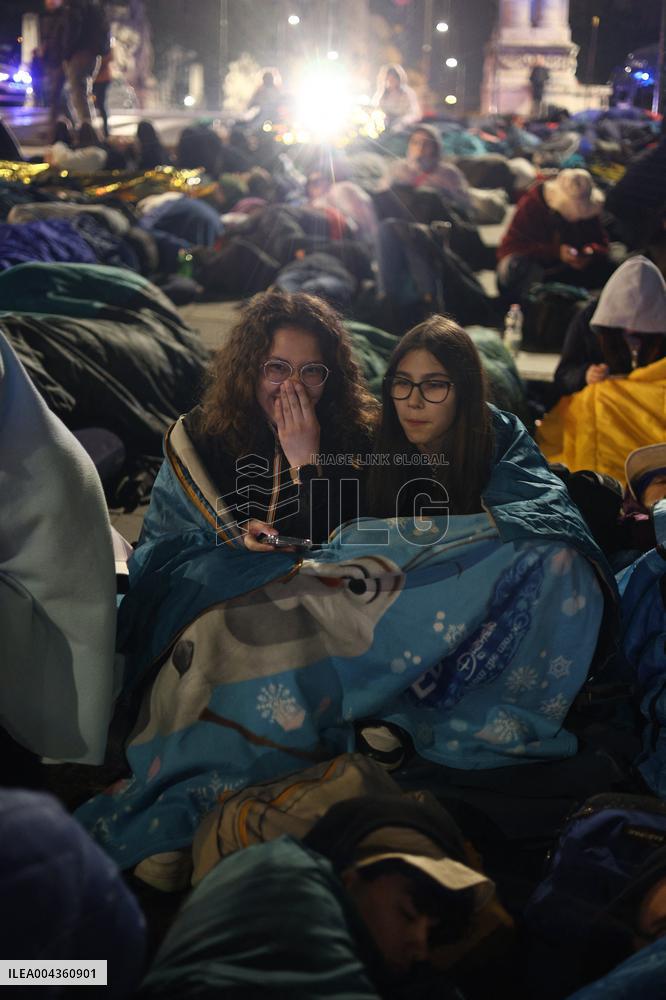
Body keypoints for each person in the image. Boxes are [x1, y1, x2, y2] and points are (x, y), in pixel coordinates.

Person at [138, 794, 493, 998]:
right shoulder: (284, 877)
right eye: (406, 914)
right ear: (353, 876)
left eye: (430, 936)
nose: (418, 946)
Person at [181, 289, 379, 550]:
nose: (292, 386)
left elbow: (352, 545)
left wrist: (306, 466)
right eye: (276, 367)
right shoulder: (207, 429)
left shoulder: (358, 435)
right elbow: (180, 530)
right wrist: (236, 534)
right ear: (249, 369)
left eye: (311, 371)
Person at [497, 168, 613, 305]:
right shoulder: (532, 204)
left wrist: (590, 252)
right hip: (539, 268)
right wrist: (556, 251)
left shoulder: (587, 209)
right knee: (513, 268)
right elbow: (509, 248)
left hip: (568, 269)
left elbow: (602, 242)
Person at [554, 255, 666, 397]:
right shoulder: (587, 319)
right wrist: (585, 375)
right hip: (602, 406)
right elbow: (563, 375)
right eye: (622, 320)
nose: (631, 329)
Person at [62, 0, 111, 127]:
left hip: (80, 54)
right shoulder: (95, 6)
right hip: (93, 55)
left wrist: (66, 52)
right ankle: (86, 128)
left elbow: (73, 30)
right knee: (82, 92)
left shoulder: (77, 5)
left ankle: (87, 130)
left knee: (79, 93)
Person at [373, 64, 421, 133]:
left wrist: (402, 122)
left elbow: (415, 113)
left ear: (399, 79)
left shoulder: (407, 93)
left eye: (393, 79)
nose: (390, 82)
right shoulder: (381, 94)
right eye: (388, 79)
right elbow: (376, 110)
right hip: (384, 128)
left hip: (403, 130)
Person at [92, 46, 112, 138]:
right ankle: (100, 129)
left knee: (101, 104)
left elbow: (110, 57)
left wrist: (97, 61)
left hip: (103, 79)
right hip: (95, 79)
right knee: (96, 104)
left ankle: (105, 130)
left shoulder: (106, 45)